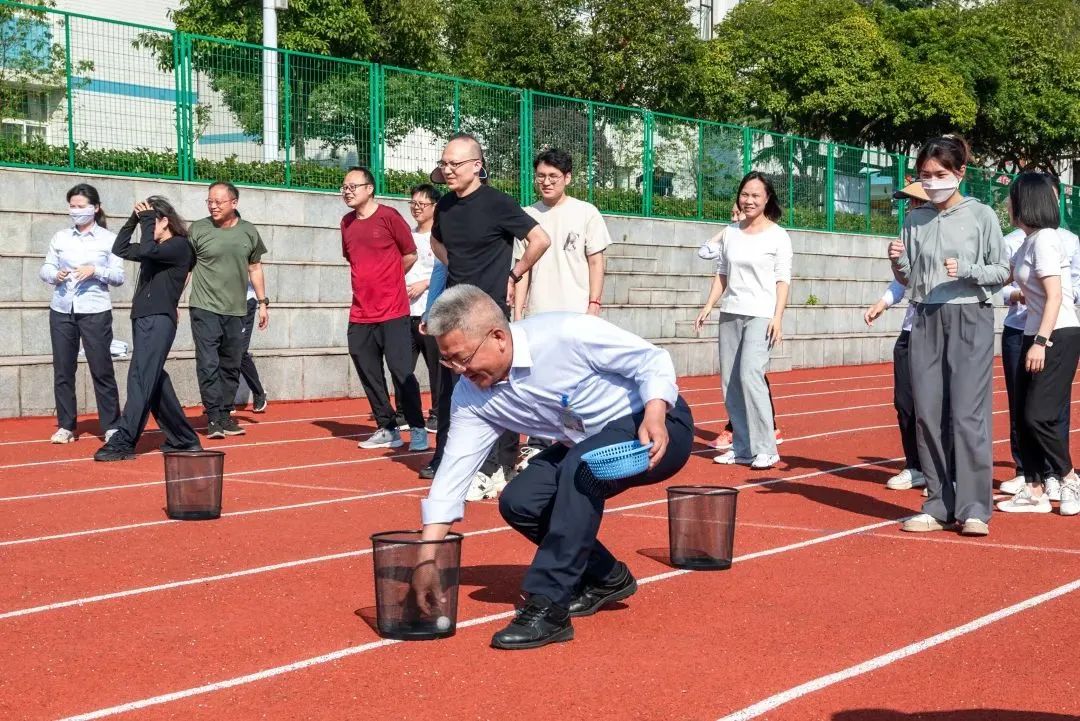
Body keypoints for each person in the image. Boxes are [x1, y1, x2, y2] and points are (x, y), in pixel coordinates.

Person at [411, 285, 694, 649]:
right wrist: (426, 558)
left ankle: (549, 606)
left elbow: (652, 359)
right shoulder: (472, 395)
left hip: (655, 425)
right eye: (448, 361)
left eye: (463, 358)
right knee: (521, 500)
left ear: (498, 337)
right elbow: (452, 474)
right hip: (587, 443)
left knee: (581, 467)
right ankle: (606, 577)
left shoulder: (566, 334)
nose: (459, 371)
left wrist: (656, 411)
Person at [889, 135, 1008, 537]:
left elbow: (1001, 271)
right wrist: (899, 262)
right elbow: (909, 278)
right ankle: (939, 503)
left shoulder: (982, 216)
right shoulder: (915, 218)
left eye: (940, 174)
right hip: (924, 317)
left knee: (967, 415)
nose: (932, 181)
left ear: (960, 173)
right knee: (927, 413)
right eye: (925, 175)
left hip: (969, 317)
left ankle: (975, 507)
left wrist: (969, 269)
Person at [422, 132, 552, 499]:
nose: (447, 170)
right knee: (454, 390)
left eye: (455, 163)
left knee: (496, 385)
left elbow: (540, 239)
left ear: (477, 165)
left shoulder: (498, 203)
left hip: (491, 312)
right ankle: (460, 461)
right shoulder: (445, 207)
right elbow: (437, 242)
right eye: (444, 163)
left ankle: (501, 464)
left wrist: (514, 273)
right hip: (454, 311)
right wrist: (456, 268)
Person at [512, 148, 611, 471]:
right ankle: (537, 443)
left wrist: (593, 303)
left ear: (567, 178)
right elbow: (522, 268)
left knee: (576, 382)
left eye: (553, 176)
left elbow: (596, 260)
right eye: (541, 176)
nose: (546, 182)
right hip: (538, 315)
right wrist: (518, 314)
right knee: (538, 381)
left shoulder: (586, 213)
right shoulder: (526, 214)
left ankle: (581, 442)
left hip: (575, 314)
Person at [694, 171, 792, 470]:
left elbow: (782, 280)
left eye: (755, 196)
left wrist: (778, 317)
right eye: (744, 194)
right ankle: (743, 447)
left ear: (767, 199)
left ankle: (766, 447)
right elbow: (721, 273)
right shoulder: (731, 233)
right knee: (730, 382)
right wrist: (709, 305)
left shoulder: (778, 236)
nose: (748, 200)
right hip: (731, 312)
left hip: (761, 314)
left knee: (751, 375)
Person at [995, 173, 1080, 516]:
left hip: (1055, 333)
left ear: (1025, 202)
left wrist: (1040, 342)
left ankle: (1069, 477)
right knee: (1023, 413)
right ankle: (1033, 490)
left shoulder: (1045, 240)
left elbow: (1055, 294)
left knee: (1037, 415)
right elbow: (1001, 276)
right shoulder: (1028, 241)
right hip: (1034, 332)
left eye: (1011, 198)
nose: (1007, 204)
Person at [93, 198, 202, 461]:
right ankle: (184, 439)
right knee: (153, 380)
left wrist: (145, 220)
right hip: (144, 317)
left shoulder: (179, 246)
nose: (148, 224)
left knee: (140, 378)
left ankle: (124, 440)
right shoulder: (155, 247)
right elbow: (119, 248)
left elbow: (148, 252)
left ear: (164, 221)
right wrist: (133, 219)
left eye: (153, 220)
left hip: (158, 319)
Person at [340, 167, 428, 452]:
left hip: (393, 310)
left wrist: (390, 278)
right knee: (367, 370)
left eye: (353, 186)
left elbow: (410, 253)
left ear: (369, 189)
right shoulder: (346, 223)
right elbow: (353, 259)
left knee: (401, 371)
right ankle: (387, 427)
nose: (347, 191)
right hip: (360, 312)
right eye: (344, 186)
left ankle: (416, 428)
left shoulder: (389, 216)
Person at [39, 183, 124, 444]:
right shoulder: (61, 237)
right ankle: (66, 425)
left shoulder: (108, 240)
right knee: (63, 369)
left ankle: (111, 425)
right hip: (62, 308)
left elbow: (119, 276)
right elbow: (45, 268)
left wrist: (95, 271)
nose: (76, 212)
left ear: (95, 208)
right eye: (72, 207)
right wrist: (56, 275)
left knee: (102, 368)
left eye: (81, 207)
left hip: (95, 310)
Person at [188, 181, 270, 440]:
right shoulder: (198, 229)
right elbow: (186, 267)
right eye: (209, 201)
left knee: (231, 363)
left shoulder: (248, 231)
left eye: (218, 202)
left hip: (237, 309)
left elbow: (255, 267)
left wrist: (263, 302)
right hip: (204, 306)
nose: (213, 206)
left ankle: (225, 414)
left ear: (234, 203)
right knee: (208, 362)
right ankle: (213, 416)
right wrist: (172, 301)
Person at [864, 180, 931, 493]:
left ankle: (945, 469)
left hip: (940, 331)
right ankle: (914, 465)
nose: (910, 209)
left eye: (916, 203)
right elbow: (901, 280)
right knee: (904, 402)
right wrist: (882, 303)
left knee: (938, 405)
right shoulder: (906, 237)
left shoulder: (946, 237)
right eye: (909, 204)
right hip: (910, 330)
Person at [399, 184, 442, 435]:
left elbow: (443, 270)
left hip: (430, 311)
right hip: (405, 311)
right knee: (402, 366)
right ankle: (404, 412)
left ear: (434, 207)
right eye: (412, 203)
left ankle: (437, 413)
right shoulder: (407, 236)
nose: (416, 207)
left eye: (422, 204)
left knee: (436, 368)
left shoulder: (438, 237)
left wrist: (424, 284)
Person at [235, 281, 268, 414]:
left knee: (240, 351)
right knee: (226, 349)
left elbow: (255, 269)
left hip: (246, 300)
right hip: (225, 302)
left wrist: (262, 304)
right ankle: (225, 400)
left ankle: (259, 392)